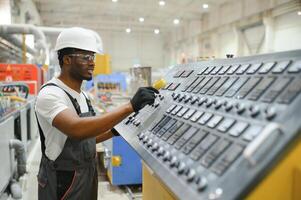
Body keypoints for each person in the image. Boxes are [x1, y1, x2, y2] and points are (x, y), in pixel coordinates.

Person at [35, 27, 158, 200]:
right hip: (62, 180)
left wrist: (115, 131)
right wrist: (129, 106)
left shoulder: (83, 95)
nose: (92, 62)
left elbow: (87, 137)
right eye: (86, 57)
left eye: (92, 57)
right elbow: (76, 129)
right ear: (67, 59)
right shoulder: (51, 95)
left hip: (87, 175)